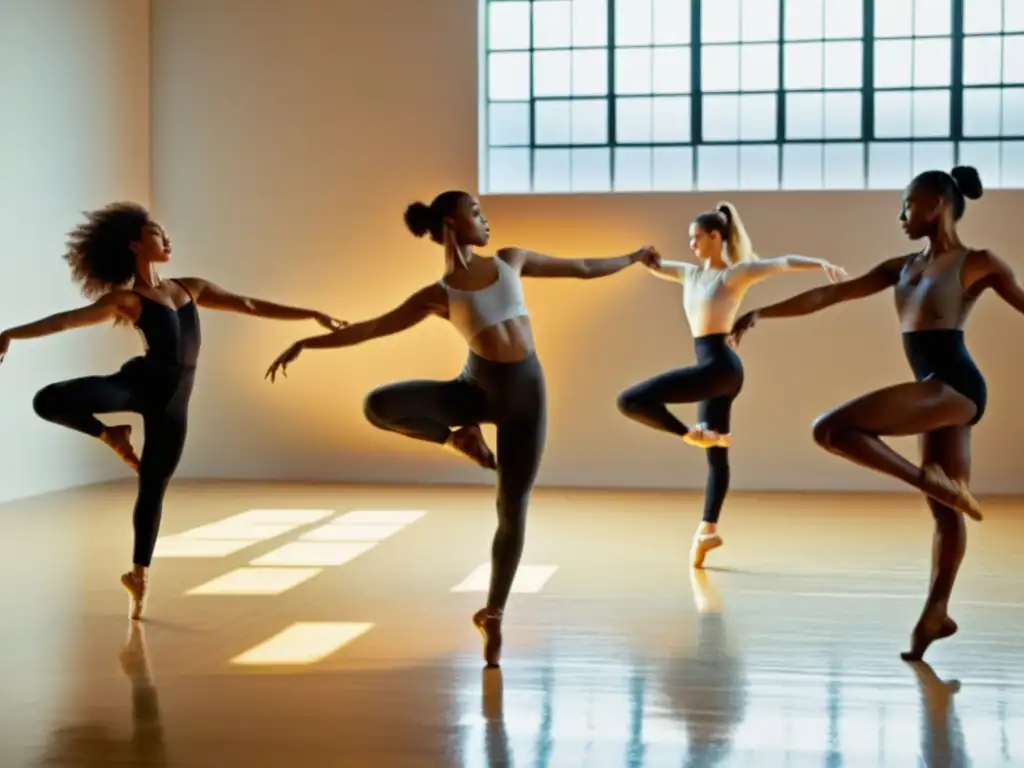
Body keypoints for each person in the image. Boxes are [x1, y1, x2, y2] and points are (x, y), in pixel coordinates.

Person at [265, 189, 660, 667]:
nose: (486, 220)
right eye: (476, 213)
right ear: (451, 222)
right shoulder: (438, 295)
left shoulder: (511, 261)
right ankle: (459, 436)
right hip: (473, 390)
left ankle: (493, 612)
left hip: (525, 398)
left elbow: (579, 268)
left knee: (511, 506)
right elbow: (371, 328)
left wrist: (633, 257)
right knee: (378, 405)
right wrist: (308, 342)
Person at [730, 165, 1024, 660]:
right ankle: (937, 611)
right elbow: (831, 294)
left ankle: (926, 481)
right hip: (933, 389)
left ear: (936, 203)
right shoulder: (902, 267)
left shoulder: (979, 262)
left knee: (831, 428)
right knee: (946, 510)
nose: (901, 214)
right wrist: (763, 312)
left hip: (957, 388)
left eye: (908, 203)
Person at [0, 202, 344, 620]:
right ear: (134, 245)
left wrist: (311, 314)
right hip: (133, 388)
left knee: (153, 487)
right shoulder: (127, 299)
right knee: (47, 400)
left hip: (174, 404)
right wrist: (9, 335)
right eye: (157, 234)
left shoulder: (190, 288)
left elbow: (250, 304)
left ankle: (138, 575)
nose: (167, 240)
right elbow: (67, 321)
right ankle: (111, 435)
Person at [616, 202, 847, 568]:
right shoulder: (690, 274)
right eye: (688, 239)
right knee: (717, 454)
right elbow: (655, 266)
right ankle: (708, 529)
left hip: (720, 368)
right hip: (714, 371)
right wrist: (638, 255)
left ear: (715, 236)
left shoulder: (734, 275)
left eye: (696, 237)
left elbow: (782, 262)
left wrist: (820, 263)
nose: (691, 244)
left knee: (630, 400)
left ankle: (690, 433)